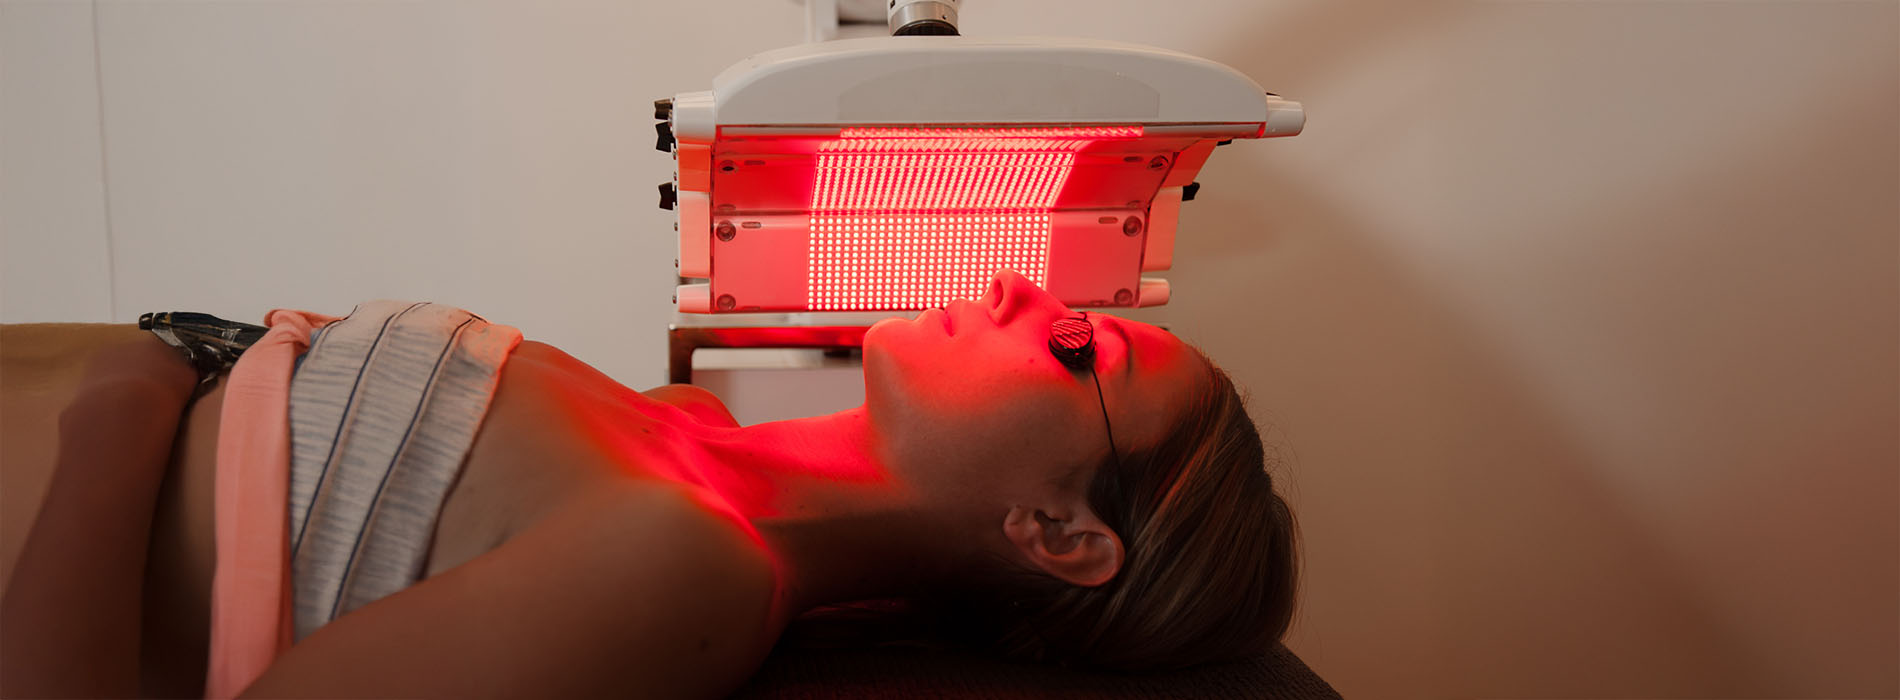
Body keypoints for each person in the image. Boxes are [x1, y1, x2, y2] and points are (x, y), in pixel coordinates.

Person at [0, 269, 1299, 698]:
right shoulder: (676, 423)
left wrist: (134, 395)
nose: (1027, 290)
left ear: (1059, 533)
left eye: (1080, 349)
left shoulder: (690, 564)